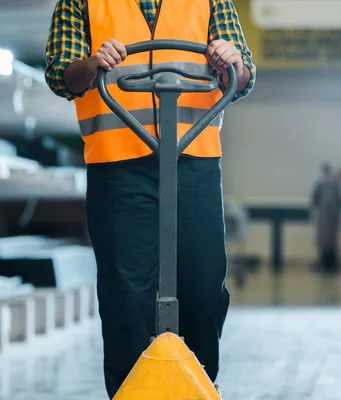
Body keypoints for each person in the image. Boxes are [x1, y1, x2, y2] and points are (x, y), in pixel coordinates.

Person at [45, 1, 256, 397]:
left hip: (193, 159)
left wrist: (231, 59)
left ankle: (198, 388)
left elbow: (243, 76)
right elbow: (60, 73)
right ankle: (131, 393)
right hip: (118, 165)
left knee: (205, 288)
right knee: (126, 297)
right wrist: (93, 64)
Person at [311, 163, 341, 275]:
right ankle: (332, 264)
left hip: (323, 217)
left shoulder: (320, 184)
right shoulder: (336, 184)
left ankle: (324, 264)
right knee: (332, 240)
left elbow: (314, 200)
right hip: (333, 217)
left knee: (323, 240)